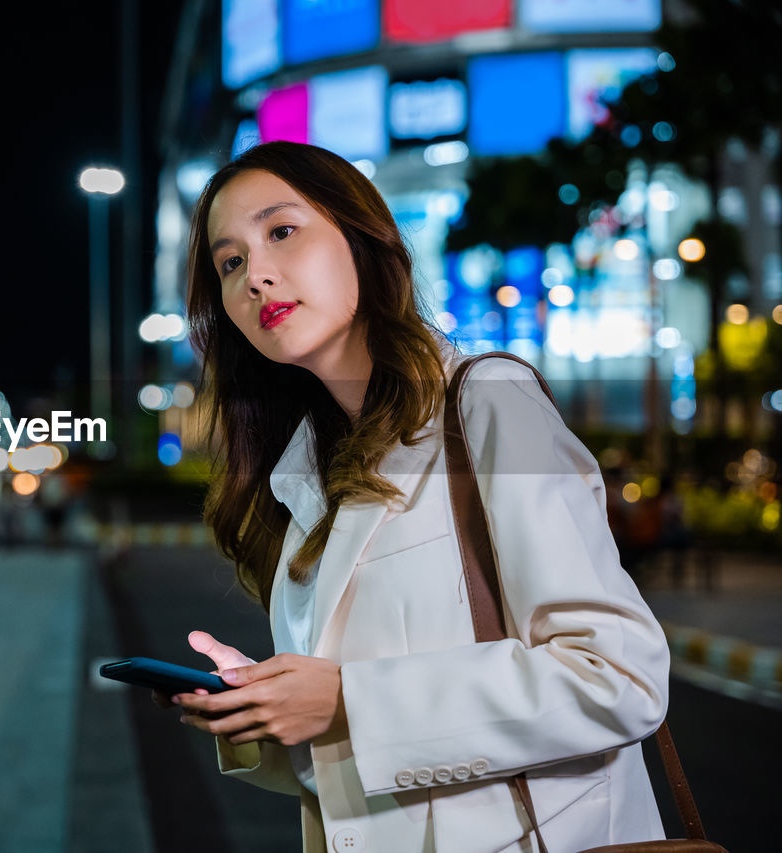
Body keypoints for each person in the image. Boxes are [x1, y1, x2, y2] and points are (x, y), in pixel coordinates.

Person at [157, 141, 670, 852]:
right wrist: (268, 712)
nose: (256, 276)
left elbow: (616, 674)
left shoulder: (485, 402)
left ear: (363, 239)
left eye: (282, 231)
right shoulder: (300, 472)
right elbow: (382, 762)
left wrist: (345, 699)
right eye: (230, 263)